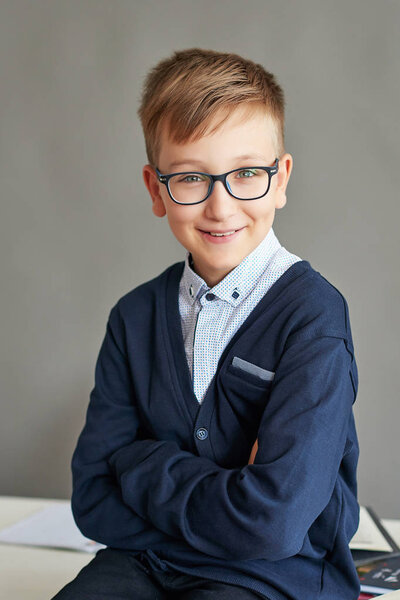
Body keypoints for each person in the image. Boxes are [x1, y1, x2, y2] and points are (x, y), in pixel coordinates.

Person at [52, 48, 360, 600]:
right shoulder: (135, 317)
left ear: (281, 178)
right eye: (191, 177)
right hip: (143, 563)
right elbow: (93, 499)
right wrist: (231, 495)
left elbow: (275, 522)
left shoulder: (312, 318)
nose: (220, 207)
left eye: (245, 173)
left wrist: (140, 463)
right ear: (155, 188)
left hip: (275, 575)